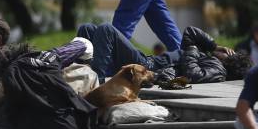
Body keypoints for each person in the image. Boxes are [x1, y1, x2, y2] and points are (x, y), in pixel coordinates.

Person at [77, 23, 243, 83]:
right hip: (148, 61)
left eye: (228, 52)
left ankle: (94, 82)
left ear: (231, 61)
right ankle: (80, 75)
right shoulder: (210, 58)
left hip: (149, 68)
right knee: (87, 29)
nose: (224, 51)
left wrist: (192, 50)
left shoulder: (219, 70)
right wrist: (213, 46)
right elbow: (190, 32)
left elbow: (194, 74)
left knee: (107, 29)